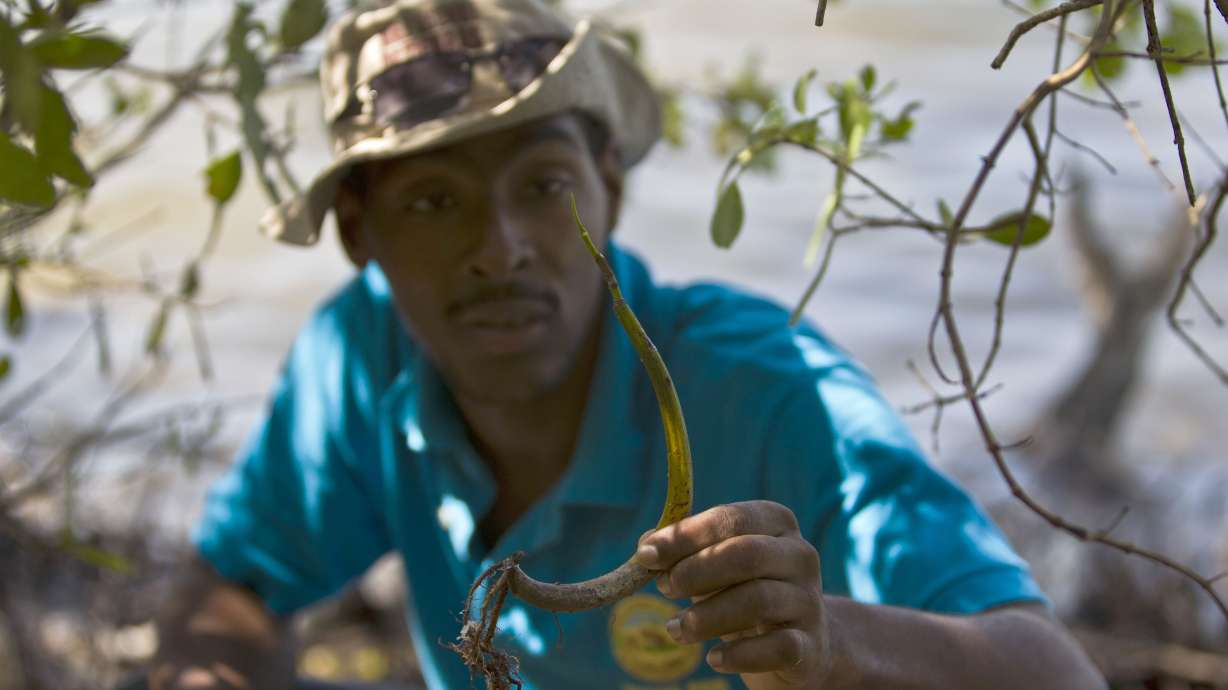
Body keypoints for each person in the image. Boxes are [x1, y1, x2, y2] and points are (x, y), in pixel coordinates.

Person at [146, 0, 1107, 688]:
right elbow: (233, 588)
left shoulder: (769, 389)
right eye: (432, 203)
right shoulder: (363, 361)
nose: (500, 250)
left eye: (546, 185)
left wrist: (829, 641)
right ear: (360, 236)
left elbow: (1051, 671)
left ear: (610, 183)